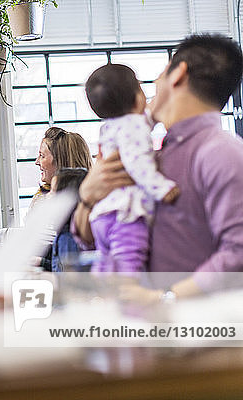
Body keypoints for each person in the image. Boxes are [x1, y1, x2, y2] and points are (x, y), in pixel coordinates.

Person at [73, 33, 243, 302]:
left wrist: (167, 297)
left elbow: (238, 251)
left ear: (178, 74)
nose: (152, 84)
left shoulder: (221, 153)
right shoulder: (145, 154)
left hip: (202, 333)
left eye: (160, 74)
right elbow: (87, 239)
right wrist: (87, 197)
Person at [83, 63, 180, 273]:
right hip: (125, 216)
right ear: (138, 99)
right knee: (129, 267)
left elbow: (145, 121)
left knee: (106, 263)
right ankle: (132, 303)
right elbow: (138, 163)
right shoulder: (134, 126)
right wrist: (161, 187)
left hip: (103, 215)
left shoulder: (110, 126)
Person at [30, 127, 92, 209]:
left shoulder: (90, 204)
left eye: (42, 156)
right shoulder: (41, 197)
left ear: (60, 162)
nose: (37, 162)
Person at [48, 168, 88, 272]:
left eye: (53, 192)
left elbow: (68, 280)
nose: (48, 196)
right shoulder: (64, 233)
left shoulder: (68, 239)